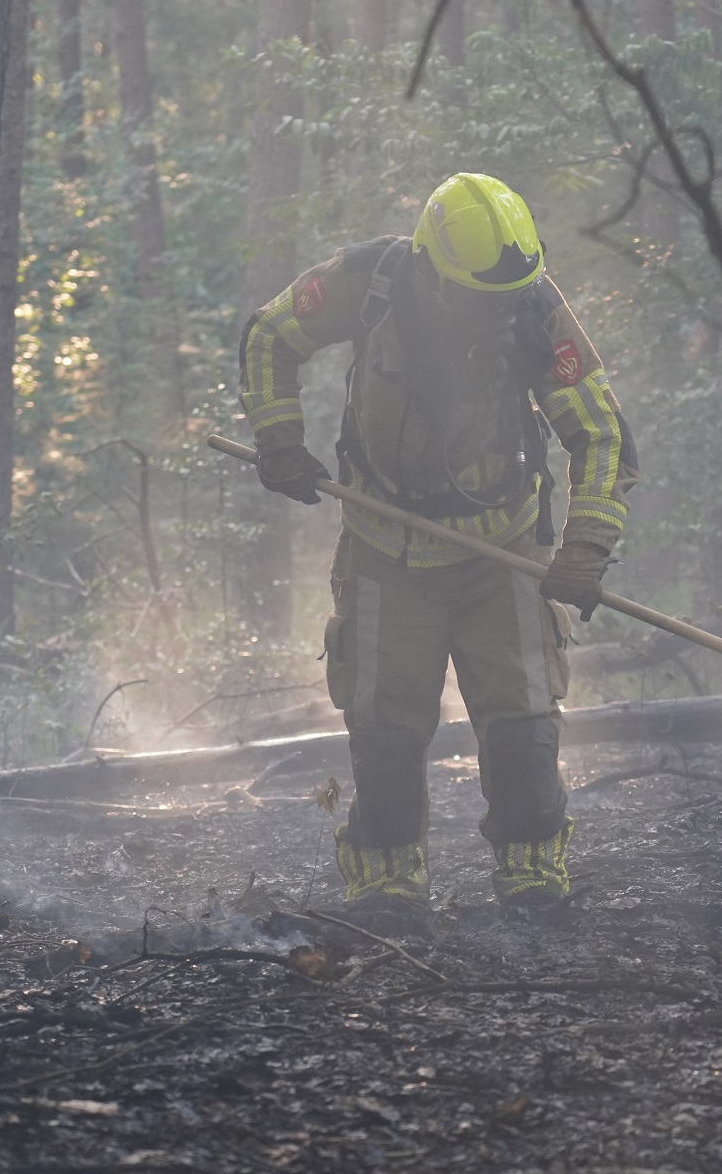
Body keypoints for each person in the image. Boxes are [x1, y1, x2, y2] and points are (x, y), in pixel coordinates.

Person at [238, 173, 639, 930]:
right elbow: (270, 335)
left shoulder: (533, 305)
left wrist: (586, 541)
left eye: (509, 294)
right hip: (385, 550)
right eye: (477, 296)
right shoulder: (369, 282)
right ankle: (386, 881)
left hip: (502, 553)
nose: (496, 310)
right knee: (386, 732)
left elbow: (600, 428)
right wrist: (278, 439)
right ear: (431, 265)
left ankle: (531, 874)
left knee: (523, 725)